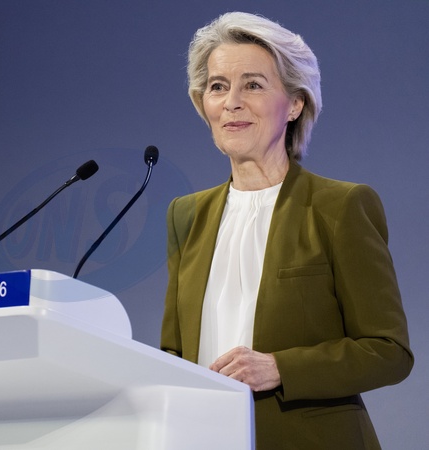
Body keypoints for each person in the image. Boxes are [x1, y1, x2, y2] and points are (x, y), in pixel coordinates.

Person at [160, 11, 413, 450]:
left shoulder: (340, 206)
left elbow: (388, 351)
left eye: (253, 85)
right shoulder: (186, 214)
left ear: (295, 104)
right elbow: (174, 353)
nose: (231, 102)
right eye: (218, 86)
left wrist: (280, 367)